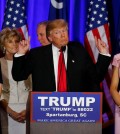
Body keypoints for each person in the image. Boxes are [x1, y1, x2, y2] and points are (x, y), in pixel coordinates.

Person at [12, 19, 111, 92]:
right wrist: (20, 54)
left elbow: (96, 77)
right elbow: (18, 75)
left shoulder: (78, 51)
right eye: (57, 32)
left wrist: (103, 54)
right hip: (46, 111)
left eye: (64, 30)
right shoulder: (37, 55)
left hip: (75, 109)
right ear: (50, 37)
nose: (63, 35)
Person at [0, 28, 32, 134]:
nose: (14, 44)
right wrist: (11, 112)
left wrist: (28, 110)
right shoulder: (0, 63)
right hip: (6, 109)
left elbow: (35, 87)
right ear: (3, 44)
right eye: (10, 41)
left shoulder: (28, 62)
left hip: (28, 108)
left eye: (16, 41)